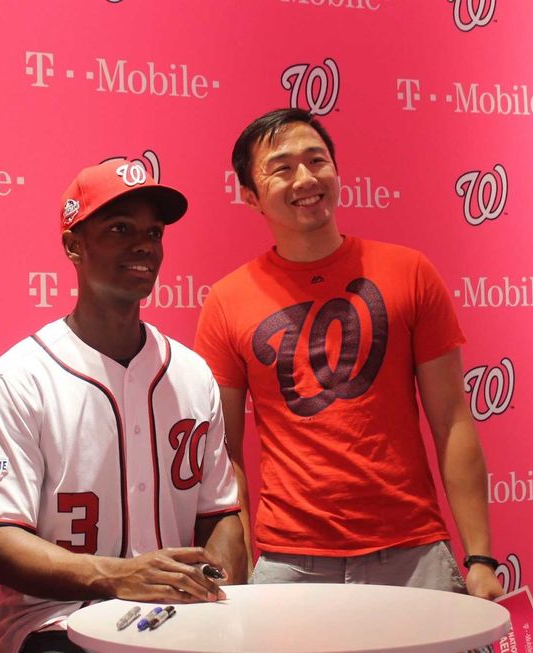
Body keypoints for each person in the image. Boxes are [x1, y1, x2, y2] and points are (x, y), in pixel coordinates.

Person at [194, 108, 505, 600]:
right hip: (288, 561)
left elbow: (451, 419)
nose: (305, 178)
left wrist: (481, 558)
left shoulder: (410, 272)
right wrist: (241, 567)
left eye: (317, 160)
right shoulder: (226, 301)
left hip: (414, 553)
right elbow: (225, 454)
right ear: (250, 195)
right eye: (281, 168)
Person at [0, 158, 248, 653]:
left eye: (153, 233)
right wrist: (121, 576)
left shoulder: (192, 373)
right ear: (74, 245)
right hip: (56, 625)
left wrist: (212, 589)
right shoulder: (19, 379)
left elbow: (219, 513)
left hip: (177, 623)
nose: (144, 245)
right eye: (120, 228)